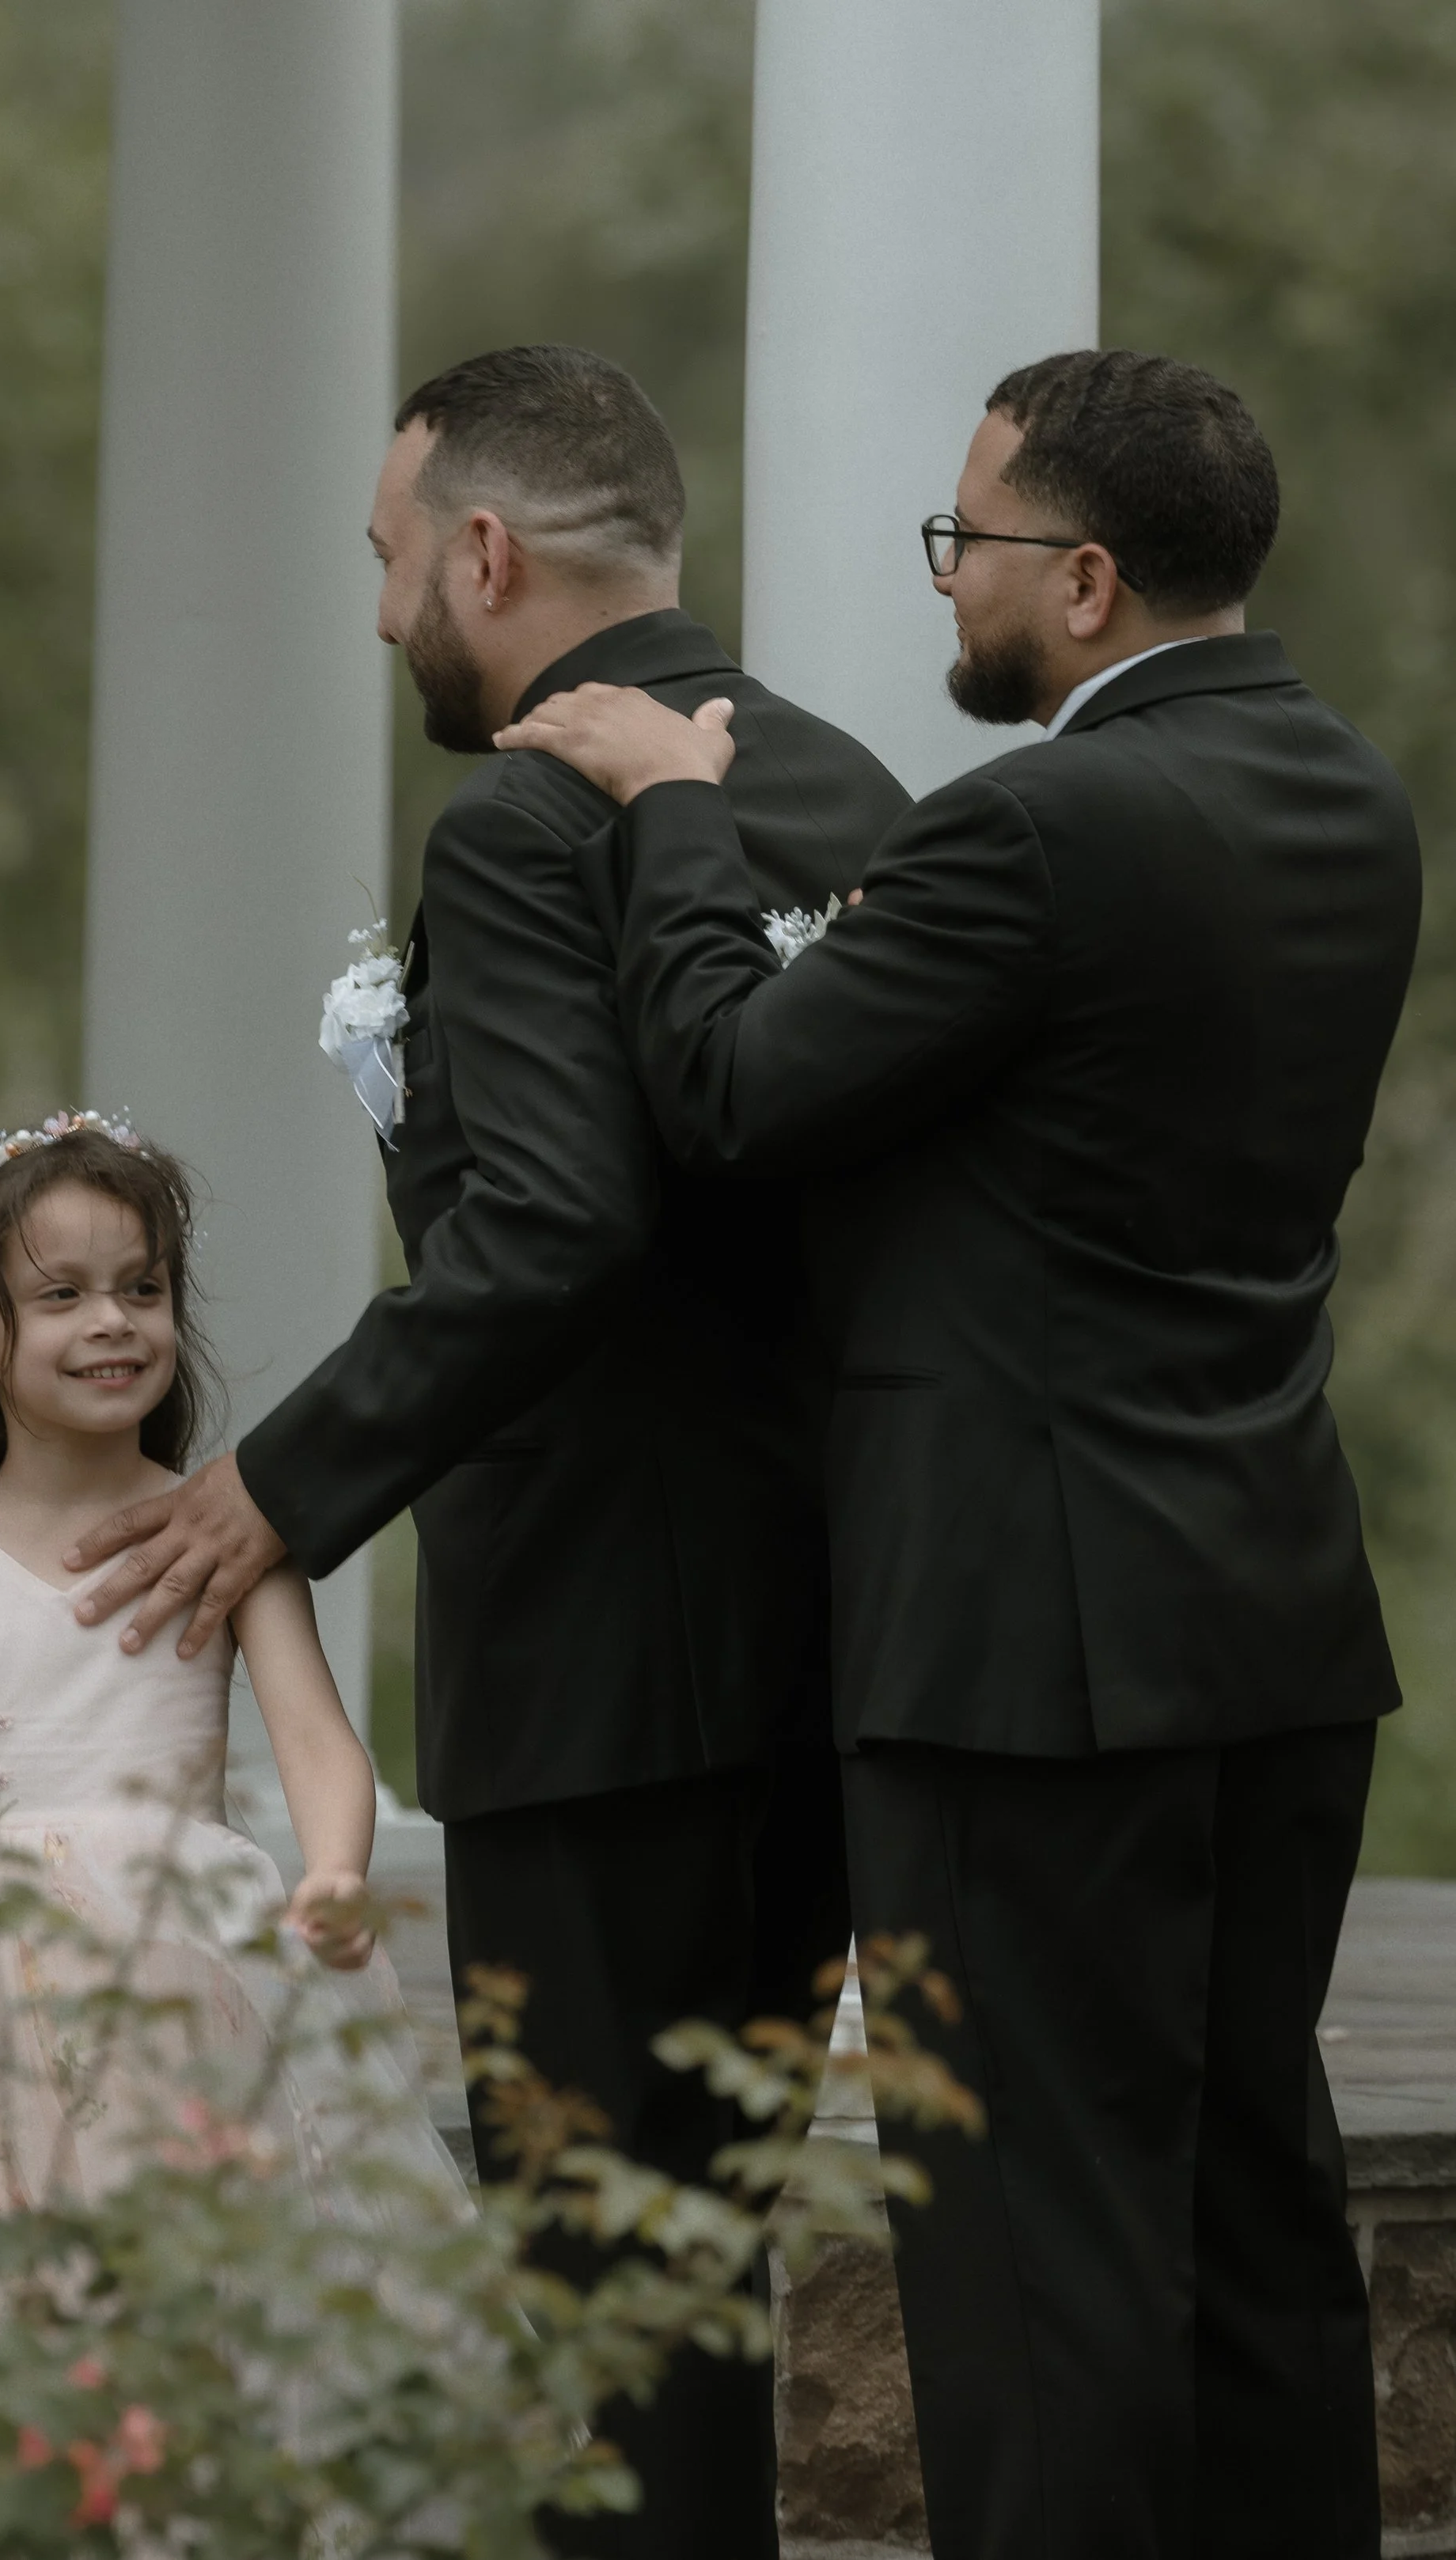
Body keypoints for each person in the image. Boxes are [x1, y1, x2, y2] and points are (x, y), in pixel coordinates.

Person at [496, 349, 1420, 2560]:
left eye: (966, 543)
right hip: (1272, 1636)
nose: (947, 582)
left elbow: (729, 1083)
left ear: (1081, 580)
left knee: (1037, 2272)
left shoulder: (1030, 824)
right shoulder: (1345, 795)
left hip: (1025, 1666)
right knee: (1253, 2235)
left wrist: (668, 811)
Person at [64, 345, 908, 2556]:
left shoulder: (533, 816)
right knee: (694, 2258)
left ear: (483, 553)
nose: (374, 618)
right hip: (835, 1652)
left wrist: (280, 1483)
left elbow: (550, 1220)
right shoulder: (846, 791)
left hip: (607, 1675)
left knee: (602, 2294)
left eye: (380, 561)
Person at [0, 1113, 457, 2322]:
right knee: (30, 2319)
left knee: (196, 2311)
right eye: (62, 1295)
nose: (113, 1320)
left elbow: (319, 1738)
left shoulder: (227, 1533)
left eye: (143, 1287)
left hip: (182, 1984)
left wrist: (335, 1867)